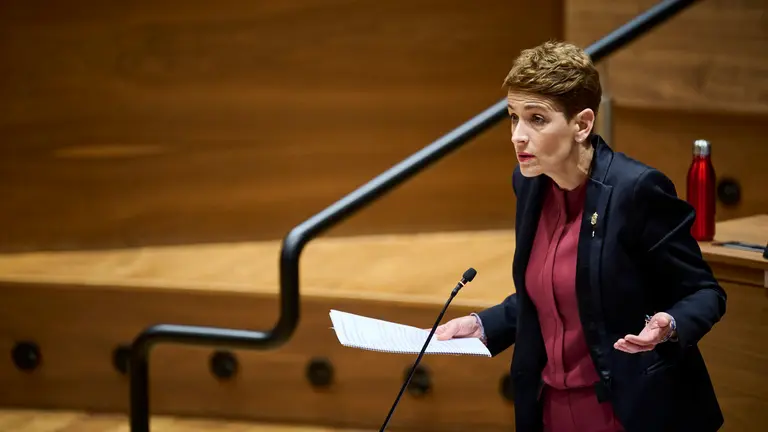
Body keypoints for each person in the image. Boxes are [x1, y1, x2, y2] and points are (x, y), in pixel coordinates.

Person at [434, 41, 727, 432]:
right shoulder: (530, 185)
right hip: (550, 410)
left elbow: (706, 292)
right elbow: (554, 294)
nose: (517, 136)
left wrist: (669, 322)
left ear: (582, 124)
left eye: (536, 119)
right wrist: (482, 325)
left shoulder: (636, 190)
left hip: (628, 409)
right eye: (513, 117)